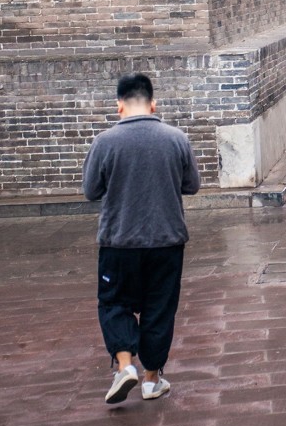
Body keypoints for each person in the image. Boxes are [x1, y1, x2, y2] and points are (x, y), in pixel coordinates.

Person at [82, 72, 200, 406]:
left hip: (119, 243)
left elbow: (90, 191)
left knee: (114, 302)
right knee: (159, 308)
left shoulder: (105, 142)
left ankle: (124, 366)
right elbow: (192, 185)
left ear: (119, 106)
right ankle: (151, 378)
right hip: (167, 240)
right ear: (153, 104)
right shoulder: (176, 138)